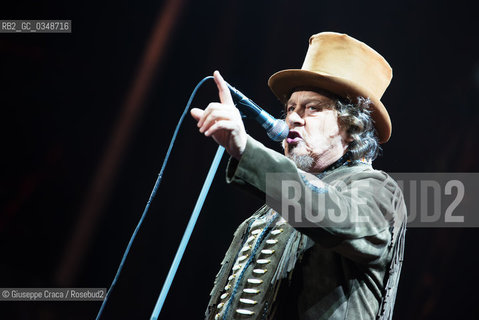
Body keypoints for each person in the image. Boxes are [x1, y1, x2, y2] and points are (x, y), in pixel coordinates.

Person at [190, 32, 406, 320]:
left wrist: (246, 149)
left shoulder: (377, 190)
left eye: (312, 109)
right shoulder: (263, 215)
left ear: (351, 129)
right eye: (291, 108)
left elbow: (336, 217)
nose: (292, 117)